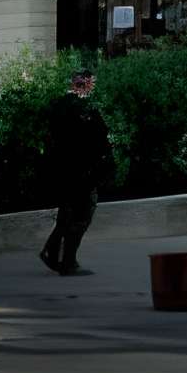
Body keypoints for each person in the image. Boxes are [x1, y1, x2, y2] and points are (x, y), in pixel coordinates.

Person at [41, 66, 112, 275]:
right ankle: (67, 261)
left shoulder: (59, 105)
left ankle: (52, 252)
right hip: (81, 172)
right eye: (91, 83)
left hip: (61, 171)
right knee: (82, 214)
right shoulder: (84, 109)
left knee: (66, 213)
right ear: (86, 84)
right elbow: (97, 138)